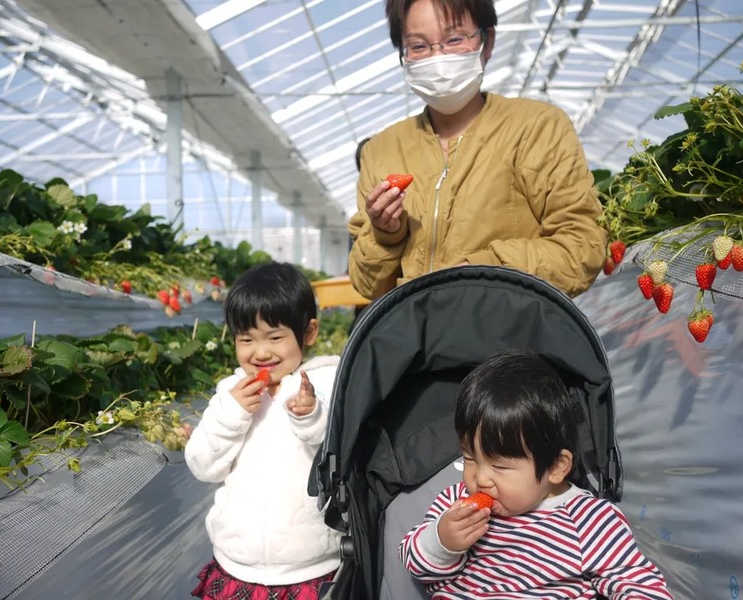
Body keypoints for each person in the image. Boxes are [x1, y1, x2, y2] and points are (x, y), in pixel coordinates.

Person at [348, 0, 607, 300]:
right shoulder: (382, 149)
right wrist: (385, 234)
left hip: (515, 340)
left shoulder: (537, 128)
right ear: (403, 55)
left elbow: (582, 248)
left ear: (487, 41)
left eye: (454, 39)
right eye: (418, 46)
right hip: (420, 341)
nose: (437, 57)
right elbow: (367, 285)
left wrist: (481, 272)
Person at [399, 349, 673, 599]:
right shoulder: (455, 503)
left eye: (500, 466)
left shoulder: (589, 521)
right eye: (470, 458)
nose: (480, 478)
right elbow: (416, 564)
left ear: (556, 467)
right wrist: (443, 541)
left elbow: (639, 585)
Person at [185, 261, 341, 600]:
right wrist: (232, 414)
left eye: (275, 337)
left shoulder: (323, 383)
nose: (261, 352)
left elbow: (339, 446)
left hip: (311, 565)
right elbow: (202, 466)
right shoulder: (230, 392)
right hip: (238, 564)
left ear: (308, 333)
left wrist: (311, 414)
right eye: (247, 339)